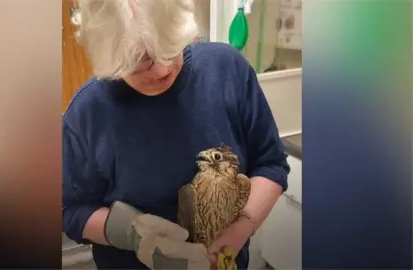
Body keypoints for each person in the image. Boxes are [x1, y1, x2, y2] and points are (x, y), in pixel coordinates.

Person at [62, 0, 290, 269]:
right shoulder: (87, 113)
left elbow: (271, 164)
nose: (163, 70)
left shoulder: (229, 71)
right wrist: (131, 233)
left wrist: (238, 231)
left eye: (170, 46)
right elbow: (70, 210)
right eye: (141, 59)